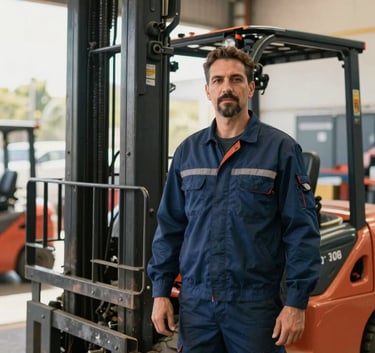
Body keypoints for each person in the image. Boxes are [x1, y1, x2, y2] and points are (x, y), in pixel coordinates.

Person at [147, 46, 321, 353]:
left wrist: (296, 303)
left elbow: (301, 231)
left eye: (236, 79)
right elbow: (170, 227)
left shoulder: (280, 149)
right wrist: (160, 292)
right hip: (197, 306)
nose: (226, 87)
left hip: (255, 306)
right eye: (218, 80)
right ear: (208, 91)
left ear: (251, 87)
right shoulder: (188, 152)